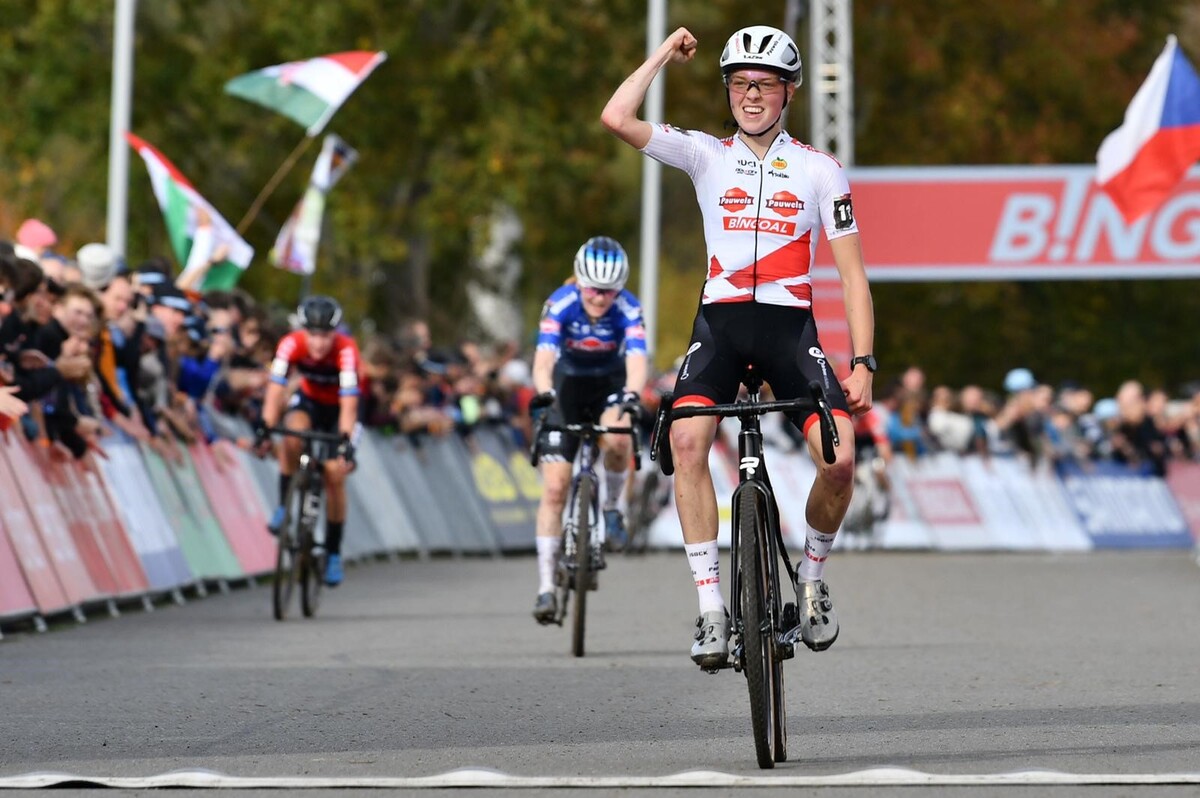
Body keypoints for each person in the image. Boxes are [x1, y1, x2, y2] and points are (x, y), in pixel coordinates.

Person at [602, 25, 875, 668]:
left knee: (840, 462)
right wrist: (666, 54)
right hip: (720, 329)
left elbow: (853, 276)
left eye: (766, 84)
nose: (752, 95)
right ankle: (711, 610)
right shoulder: (704, 154)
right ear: (728, 91)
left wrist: (862, 362)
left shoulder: (820, 170)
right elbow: (617, 116)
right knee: (686, 441)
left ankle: (809, 580)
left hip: (789, 333)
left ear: (789, 93)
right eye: (740, 83)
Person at [529, 236, 648, 624]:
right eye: (595, 290)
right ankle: (546, 588)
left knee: (618, 436)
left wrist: (632, 394)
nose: (600, 299)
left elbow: (636, 360)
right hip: (566, 385)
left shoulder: (630, 308)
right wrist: (544, 392)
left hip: (609, 383)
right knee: (554, 488)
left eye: (609, 291)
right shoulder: (560, 302)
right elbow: (544, 358)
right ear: (580, 282)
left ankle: (612, 507)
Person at [254, 296, 361, 587]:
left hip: (339, 410)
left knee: (335, 474)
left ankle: (334, 552)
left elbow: (350, 405)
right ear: (303, 331)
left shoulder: (347, 350)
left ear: (335, 333)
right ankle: (283, 505)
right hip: (310, 402)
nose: (319, 343)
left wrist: (346, 444)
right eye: (313, 334)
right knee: (292, 434)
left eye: (325, 335)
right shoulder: (290, 344)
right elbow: (275, 391)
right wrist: (265, 426)